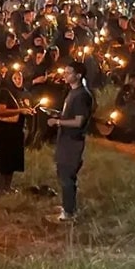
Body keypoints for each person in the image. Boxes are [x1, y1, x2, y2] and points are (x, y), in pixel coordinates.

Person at [47, 62, 93, 221]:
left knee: (67, 175)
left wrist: (58, 122)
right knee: (62, 172)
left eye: (69, 72)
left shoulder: (81, 95)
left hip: (73, 141)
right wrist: (59, 114)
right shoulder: (72, 92)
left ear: (78, 75)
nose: (65, 75)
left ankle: (69, 213)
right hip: (66, 139)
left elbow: (78, 121)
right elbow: (70, 115)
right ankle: (68, 206)